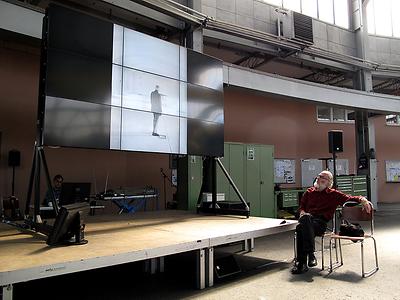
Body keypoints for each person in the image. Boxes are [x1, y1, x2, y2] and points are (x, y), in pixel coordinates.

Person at [291, 170, 371, 274]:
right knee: (304, 221)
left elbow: (350, 199)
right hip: (307, 221)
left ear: (329, 183)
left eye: (323, 177)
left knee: (301, 227)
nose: (319, 178)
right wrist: (302, 212)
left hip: (320, 224)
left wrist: (362, 199)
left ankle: (301, 263)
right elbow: (301, 207)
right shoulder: (308, 192)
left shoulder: (333, 194)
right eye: (319, 176)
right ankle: (310, 255)